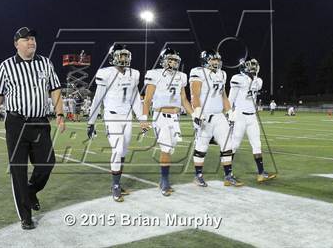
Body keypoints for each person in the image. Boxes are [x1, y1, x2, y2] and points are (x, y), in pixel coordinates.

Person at [0, 27, 65, 230]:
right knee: (18, 169)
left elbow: (55, 89)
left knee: (47, 163)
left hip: (39, 122)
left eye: (33, 39)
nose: (31, 42)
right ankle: (25, 215)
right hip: (16, 123)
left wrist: (60, 114)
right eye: (26, 39)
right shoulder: (6, 66)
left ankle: (30, 191)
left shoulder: (45, 63)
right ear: (16, 44)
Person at [87, 44, 145, 202]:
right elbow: (98, 98)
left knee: (124, 152)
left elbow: (135, 98)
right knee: (118, 149)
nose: (124, 59)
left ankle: (118, 182)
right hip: (112, 116)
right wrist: (91, 122)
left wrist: (142, 119)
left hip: (127, 117)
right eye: (121, 56)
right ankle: (115, 186)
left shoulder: (134, 74)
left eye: (126, 56)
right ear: (113, 57)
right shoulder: (106, 73)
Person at [142, 48, 195, 196]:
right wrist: (144, 119)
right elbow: (147, 99)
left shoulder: (181, 76)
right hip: (160, 116)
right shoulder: (155, 74)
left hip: (174, 118)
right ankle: (164, 181)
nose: (173, 62)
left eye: (175, 60)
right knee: (165, 148)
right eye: (170, 59)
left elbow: (184, 99)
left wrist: (193, 114)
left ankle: (163, 179)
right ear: (164, 60)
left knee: (171, 149)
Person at [189, 50, 242, 187]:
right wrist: (198, 111)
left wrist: (229, 111)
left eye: (218, 60)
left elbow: (223, 95)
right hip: (204, 115)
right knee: (202, 146)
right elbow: (195, 94)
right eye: (213, 60)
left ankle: (228, 175)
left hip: (219, 115)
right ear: (205, 60)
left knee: (227, 144)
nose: (216, 62)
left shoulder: (222, 74)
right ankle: (198, 175)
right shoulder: (198, 72)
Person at [228, 58, 276, 183]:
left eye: (254, 66)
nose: (253, 68)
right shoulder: (237, 79)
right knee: (234, 145)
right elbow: (230, 100)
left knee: (257, 144)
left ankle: (261, 173)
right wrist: (229, 115)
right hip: (240, 116)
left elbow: (254, 86)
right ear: (243, 67)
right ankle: (228, 175)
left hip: (252, 116)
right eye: (250, 66)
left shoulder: (258, 81)